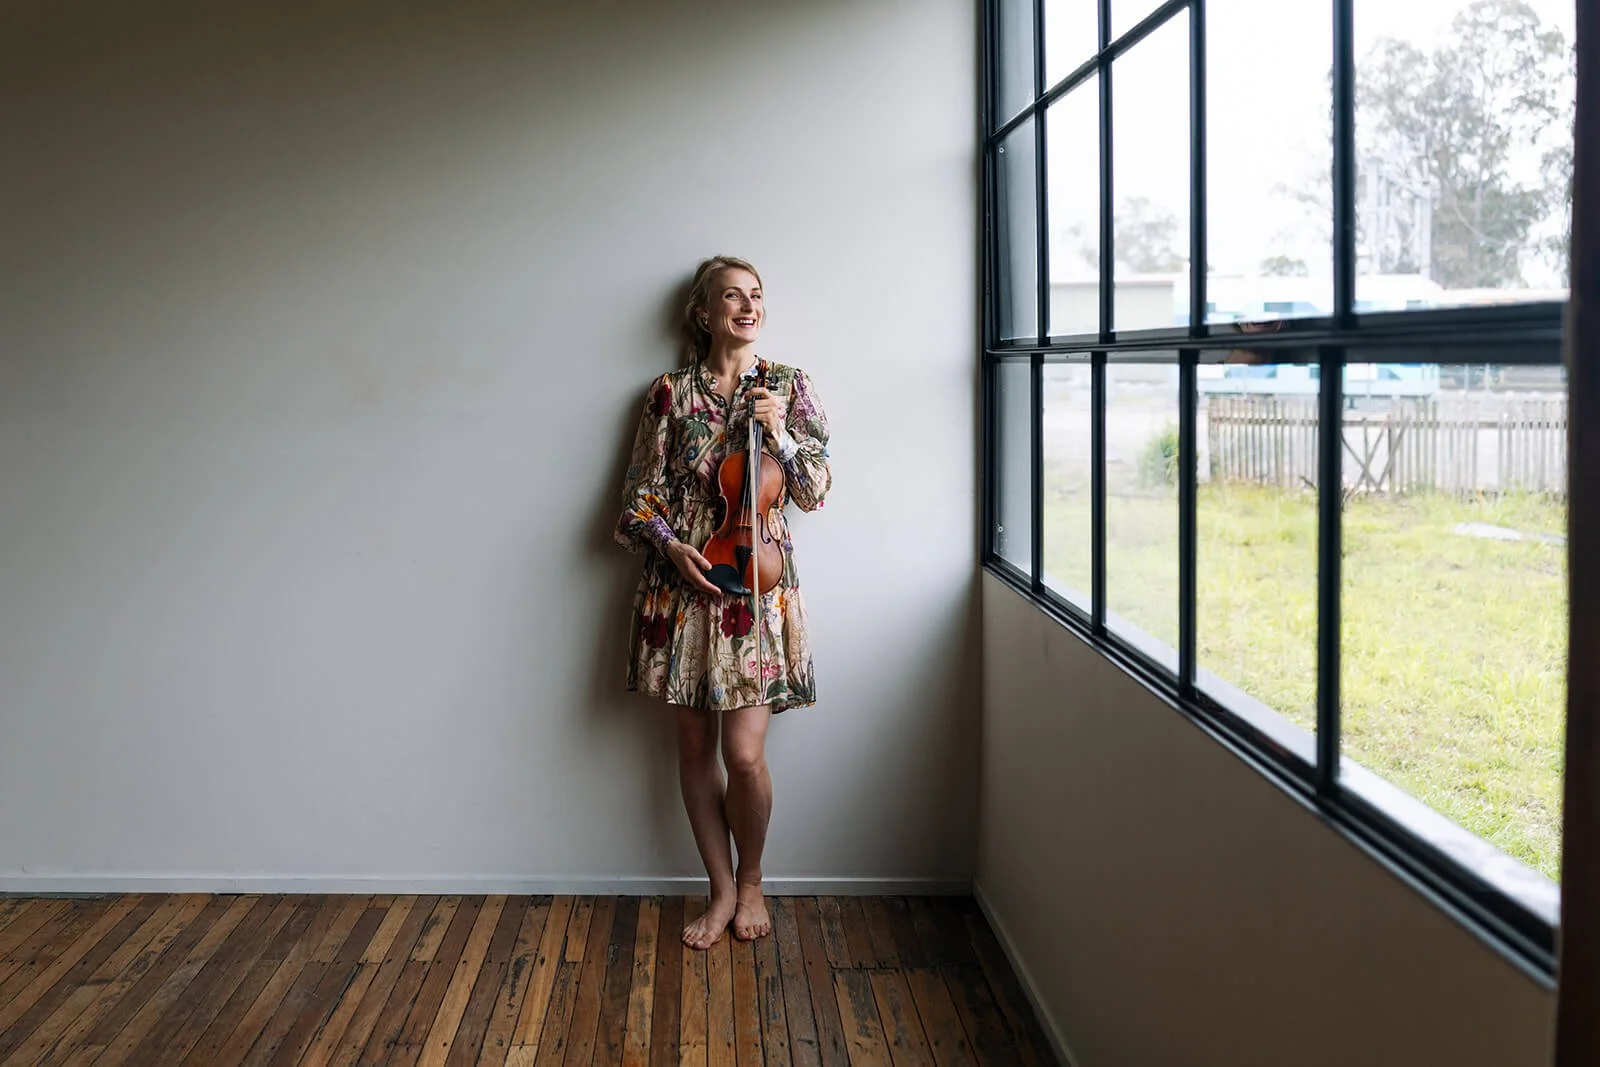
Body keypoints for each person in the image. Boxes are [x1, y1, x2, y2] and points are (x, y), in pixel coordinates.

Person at [614, 255, 831, 950]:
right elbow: (637, 499)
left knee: (743, 754)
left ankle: (755, 876)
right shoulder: (668, 394)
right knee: (693, 745)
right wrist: (671, 545)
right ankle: (720, 887)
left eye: (756, 295)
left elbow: (816, 490)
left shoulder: (790, 385)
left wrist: (785, 433)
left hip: (757, 590)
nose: (747, 306)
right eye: (731, 296)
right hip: (684, 586)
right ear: (704, 314)